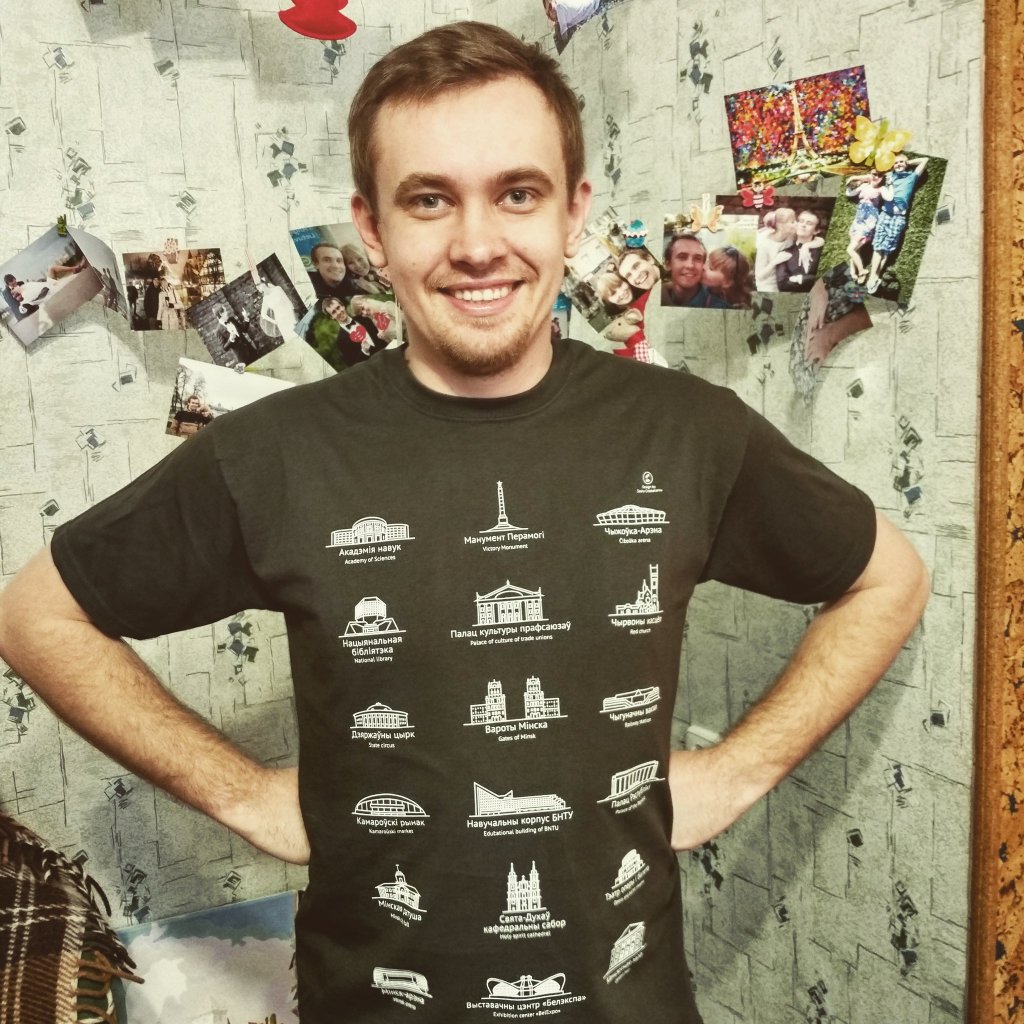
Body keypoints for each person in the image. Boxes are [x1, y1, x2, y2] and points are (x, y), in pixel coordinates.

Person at [0, 22, 929, 1024]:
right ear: (372, 228)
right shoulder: (268, 451)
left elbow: (890, 578)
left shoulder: (693, 431)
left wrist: (739, 774)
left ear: (573, 211)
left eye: (517, 193)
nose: (477, 243)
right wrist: (242, 795)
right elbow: (37, 616)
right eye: (430, 199)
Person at [866, 155, 928, 294]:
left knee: (886, 250)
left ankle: (875, 277)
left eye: (901, 162)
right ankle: (872, 278)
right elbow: (874, 174)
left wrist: (907, 162)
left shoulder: (912, 176)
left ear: (906, 164)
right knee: (878, 247)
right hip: (885, 215)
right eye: (896, 163)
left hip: (899, 217)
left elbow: (924, 160)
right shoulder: (889, 176)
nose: (898, 164)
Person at [661, 232, 729, 308]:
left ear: (703, 265)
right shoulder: (655, 297)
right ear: (668, 264)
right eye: (682, 257)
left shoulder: (720, 307)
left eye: (698, 259)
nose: (690, 265)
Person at [844, 170, 885, 283]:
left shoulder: (881, 189)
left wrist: (866, 177)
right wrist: (854, 178)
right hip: (858, 219)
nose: (876, 176)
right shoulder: (864, 186)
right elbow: (849, 193)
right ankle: (854, 272)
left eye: (879, 175)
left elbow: (889, 196)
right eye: (874, 174)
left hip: (869, 221)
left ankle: (862, 271)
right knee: (856, 248)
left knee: (851, 249)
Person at [776, 209, 825, 292]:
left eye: (809, 223)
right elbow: (782, 284)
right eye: (801, 221)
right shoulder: (785, 252)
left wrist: (802, 279)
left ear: (816, 231)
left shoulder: (821, 251)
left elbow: (826, 278)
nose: (803, 225)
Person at [753, 207, 795, 292]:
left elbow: (817, 239)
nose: (796, 224)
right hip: (768, 286)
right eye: (792, 222)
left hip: (784, 282)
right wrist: (775, 261)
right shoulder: (764, 245)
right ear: (780, 225)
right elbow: (760, 276)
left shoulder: (791, 237)